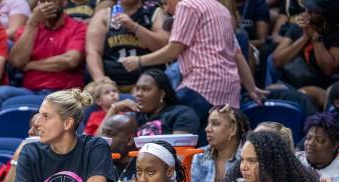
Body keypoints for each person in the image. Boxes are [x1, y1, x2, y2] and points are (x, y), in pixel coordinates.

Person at [120, 0, 266, 133]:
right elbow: (238, 54)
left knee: (163, 122)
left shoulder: (186, 5)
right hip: (228, 92)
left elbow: (174, 50)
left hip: (201, 86)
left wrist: (139, 61)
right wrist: (252, 89)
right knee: (209, 143)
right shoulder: (221, 9)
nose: (166, 9)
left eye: (165, 3)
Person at [0, 0, 87, 110]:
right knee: (0, 93)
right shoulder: (29, 28)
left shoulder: (78, 27)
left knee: (13, 104)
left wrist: (29, 65)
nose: (47, 5)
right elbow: (17, 61)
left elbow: (70, 60)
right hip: (31, 91)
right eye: (43, 1)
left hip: (64, 92)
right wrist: (33, 24)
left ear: (64, 2)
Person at [272, 0, 339, 107]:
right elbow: (277, 61)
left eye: (314, 12)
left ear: (327, 14)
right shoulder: (298, 27)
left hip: (318, 87)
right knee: (270, 92)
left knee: (301, 96)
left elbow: (329, 69)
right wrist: (305, 37)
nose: (308, 13)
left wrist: (315, 38)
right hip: (290, 82)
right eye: (307, 10)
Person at [86, 0, 169, 90]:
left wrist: (134, 27)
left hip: (147, 86)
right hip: (113, 86)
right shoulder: (104, 15)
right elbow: (93, 52)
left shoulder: (155, 12)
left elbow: (163, 47)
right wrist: (100, 80)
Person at [191, 105, 250, 182]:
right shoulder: (198, 157)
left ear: (233, 129)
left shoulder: (248, 158)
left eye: (215, 123)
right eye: (208, 124)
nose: (207, 129)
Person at [98, 69, 200, 137]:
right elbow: (99, 143)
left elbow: (180, 153)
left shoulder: (181, 114)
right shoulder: (133, 117)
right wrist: (114, 109)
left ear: (161, 94)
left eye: (145, 89)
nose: (138, 94)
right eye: (137, 89)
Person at [100, 114, 138, 182]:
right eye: (103, 134)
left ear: (129, 140)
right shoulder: (99, 163)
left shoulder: (142, 165)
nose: (103, 139)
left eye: (109, 134)